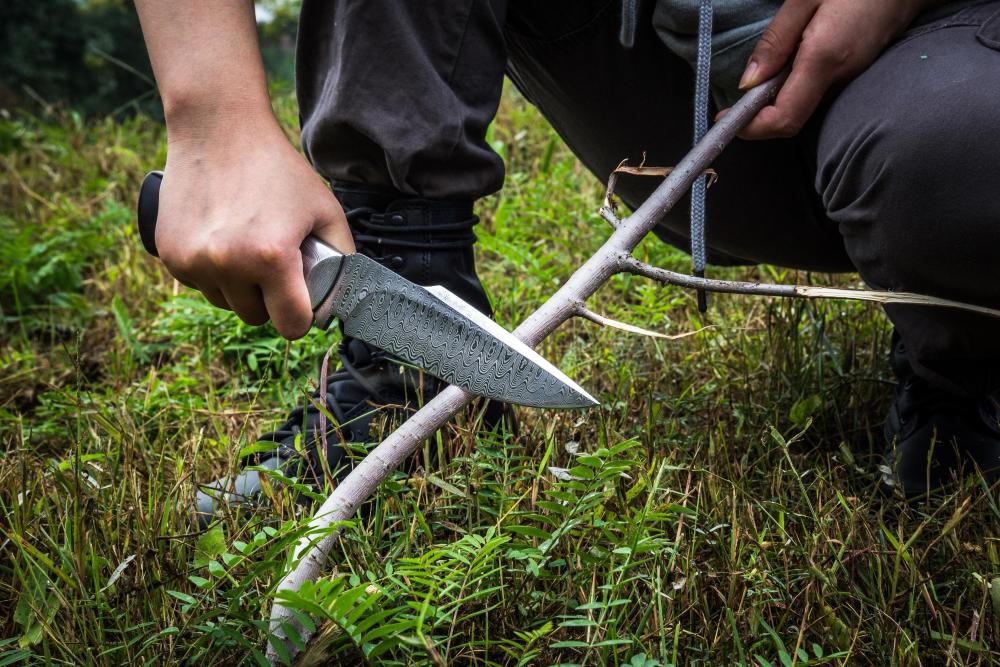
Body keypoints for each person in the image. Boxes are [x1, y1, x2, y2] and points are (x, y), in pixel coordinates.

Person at [133, 0, 1000, 521]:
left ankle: (958, 358)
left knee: (954, 170)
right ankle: (409, 374)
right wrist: (214, 118)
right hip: (661, 78)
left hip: (934, 54)